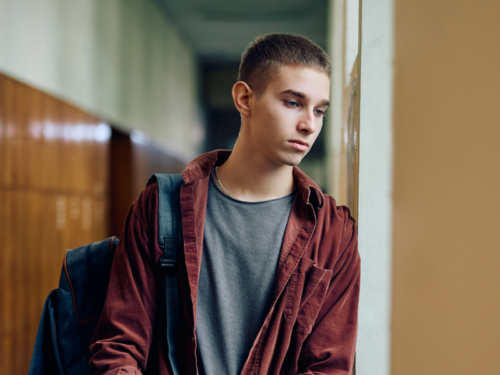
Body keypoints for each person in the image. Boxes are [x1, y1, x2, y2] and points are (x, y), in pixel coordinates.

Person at [90, 33, 360, 375]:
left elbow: (329, 366)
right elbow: (120, 344)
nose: (309, 125)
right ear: (245, 99)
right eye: (292, 102)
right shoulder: (162, 206)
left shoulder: (333, 231)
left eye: (319, 110)